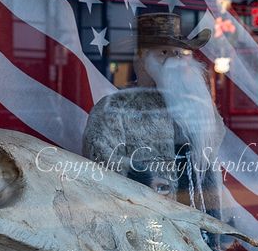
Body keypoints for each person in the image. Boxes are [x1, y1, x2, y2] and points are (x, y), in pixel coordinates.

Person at [83, 12, 226, 221]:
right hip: (144, 222)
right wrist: (141, 177)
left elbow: (213, 143)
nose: (174, 61)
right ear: (141, 60)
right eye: (164, 52)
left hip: (199, 216)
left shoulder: (197, 107)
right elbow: (98, 156)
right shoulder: (115, 108)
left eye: (179, 53)